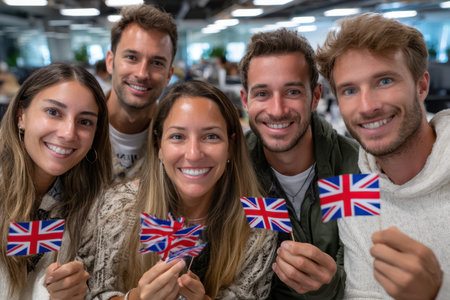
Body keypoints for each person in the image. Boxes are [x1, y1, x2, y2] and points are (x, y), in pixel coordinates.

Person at [82, 80, 277, 300]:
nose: (193, 154)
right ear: (158, 147)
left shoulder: (259, 222)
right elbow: (93, 292)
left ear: (231, 146)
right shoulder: (117, 208)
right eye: (177, 137)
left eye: (211, 136)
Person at [316, 13, 450, 299]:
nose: (367, 106)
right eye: (349, 90)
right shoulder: (355, 193)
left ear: (421, 86)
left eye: (385, 81)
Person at [239, 28, 360, 299]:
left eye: (292, 91)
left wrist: (331, 285)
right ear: (245, 101)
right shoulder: (233, 168)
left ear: (316, 96)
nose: (277, 109)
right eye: (262, 94)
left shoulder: (351, 167)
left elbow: (365, 272)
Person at [0, 63, 112, 299]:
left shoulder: (89, 202)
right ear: (21, 115)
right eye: (53, 112)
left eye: (84, 121)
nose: (68, 133)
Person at [105, 4, 177, 182]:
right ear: (110, 62)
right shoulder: (75, 129)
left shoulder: (178, 140)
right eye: (131, 57)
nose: (142, 74)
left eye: (157, 63)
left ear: (169, 75)